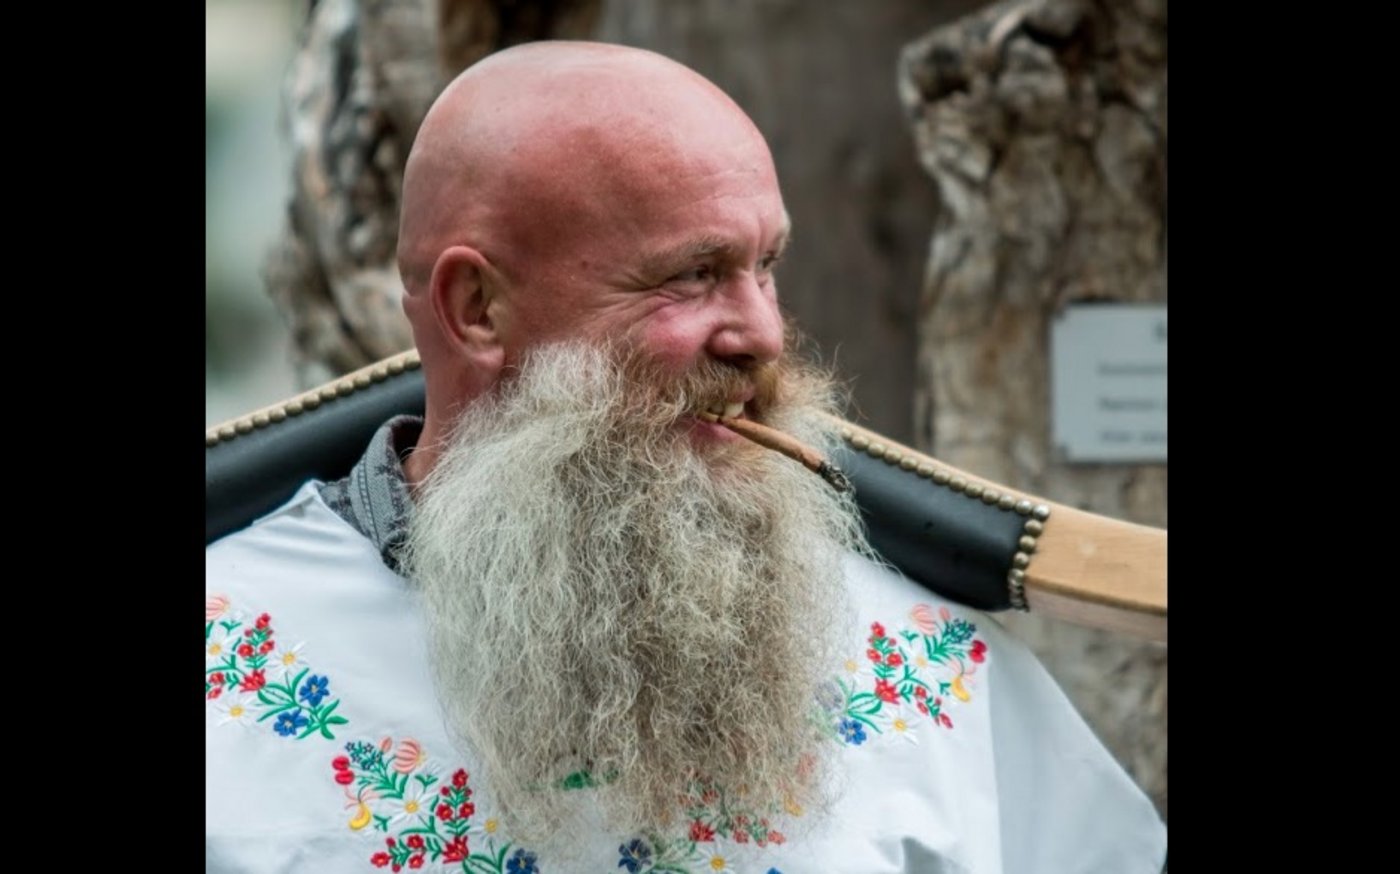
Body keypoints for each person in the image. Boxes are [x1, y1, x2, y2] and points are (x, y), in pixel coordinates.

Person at [206, 41, 1166, 873]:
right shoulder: (229, 665)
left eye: (766, 267)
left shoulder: (935, 670)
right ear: (478, 310)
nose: (761, 333)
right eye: (692, 276)